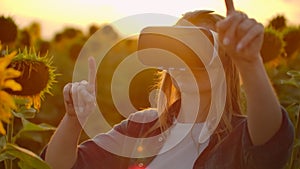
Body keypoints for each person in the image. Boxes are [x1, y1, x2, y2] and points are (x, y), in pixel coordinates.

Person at [43, 1, 294, 169]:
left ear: (226, 60)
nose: (183, 58)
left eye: (197, 47)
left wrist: (249, 63)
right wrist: (73, 119)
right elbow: (58, 166)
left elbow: (272, 141)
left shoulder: (239, 137)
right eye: (175, 48)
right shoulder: (141, 129)